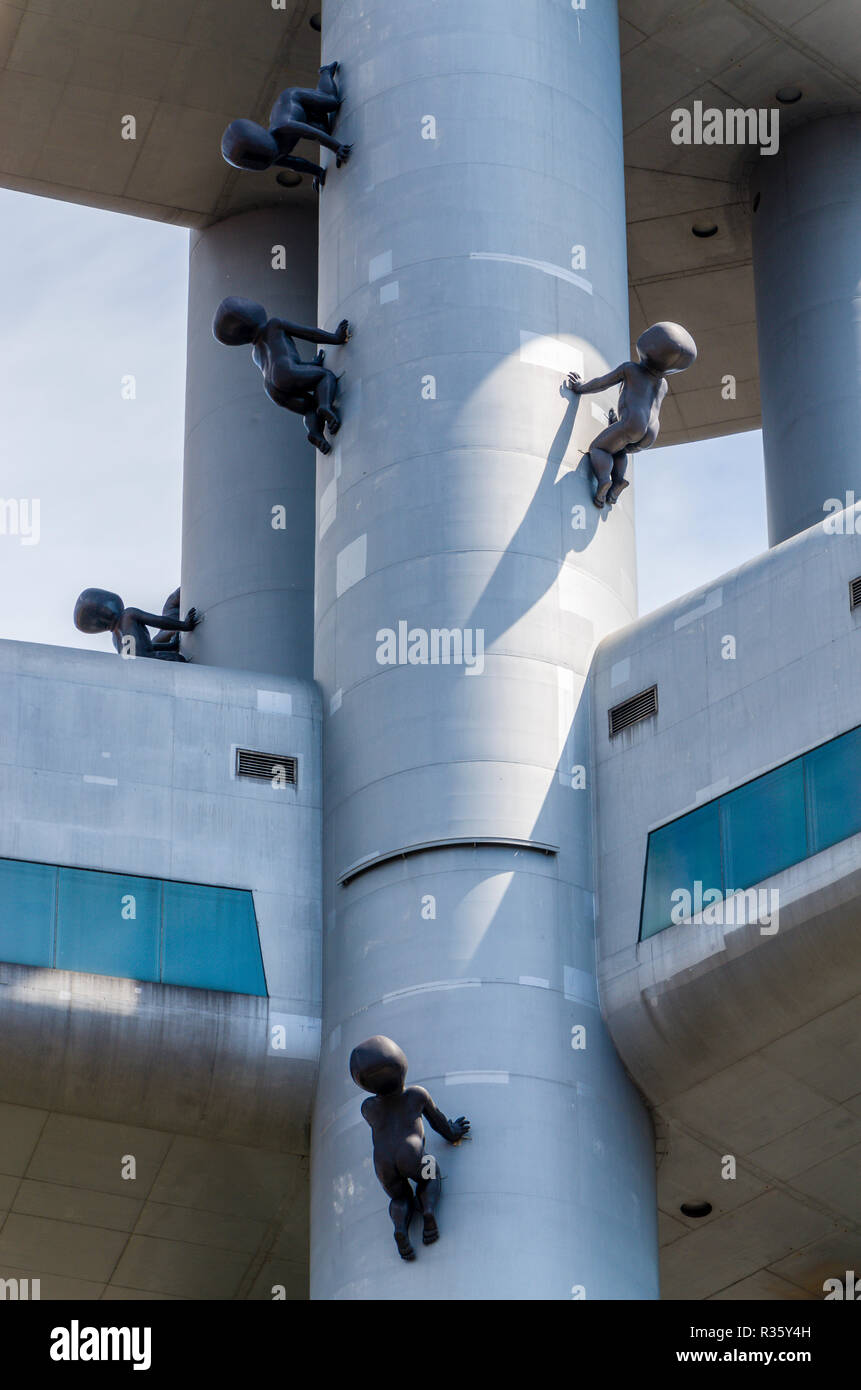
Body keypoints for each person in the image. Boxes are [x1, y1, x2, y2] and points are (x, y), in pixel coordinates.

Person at [350, 1035, 470, 1261]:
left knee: (399, 1196)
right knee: (429, 1173)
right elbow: (439, 1124)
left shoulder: (368, 1108)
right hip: (411, 1154)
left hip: (383, 1163)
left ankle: (400, 1228)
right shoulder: (416, 1095)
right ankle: (428, 1212)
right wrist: (454, 1131)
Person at [566, 321, 697, 507]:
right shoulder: (663, 385)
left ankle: (604, 481)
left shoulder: (630, 369)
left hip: (632, 425)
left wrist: (580, 387)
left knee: (600, 448)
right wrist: (617, 424)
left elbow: (602, 383)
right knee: (619, 448)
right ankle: (618, 482)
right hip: (650, 433)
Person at [213, 296, 350, 453]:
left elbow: (284, 367)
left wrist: (312, 365)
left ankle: (316, 433)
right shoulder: (274, 324)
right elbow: (309, 334)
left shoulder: (256, 353)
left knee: (309, 407)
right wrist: (336, 338)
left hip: (271, 388)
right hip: (285, 372)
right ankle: (325, 407)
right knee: (325, 377)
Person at [221, 62, 350, 189]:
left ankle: (325, 72)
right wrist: (318, 172)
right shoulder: (272, 157)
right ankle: (316, 108)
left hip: (294, 98)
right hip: (303, 117)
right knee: (326, 130)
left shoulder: (284, 126)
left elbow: (313, 134)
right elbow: (295, 164)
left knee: (331, 102)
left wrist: (337, 148)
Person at [74, 588, 199, 661]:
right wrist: (184, 625)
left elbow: (141, 649)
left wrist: (170, 645)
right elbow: (157, 621)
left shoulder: (116, 638)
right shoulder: (128, 615)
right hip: (154, 660)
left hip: (146, 667)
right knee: (180, 660)